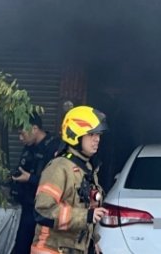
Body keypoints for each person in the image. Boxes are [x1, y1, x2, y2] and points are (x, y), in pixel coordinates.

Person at [31, 105, 107, 254]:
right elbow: (43, 211)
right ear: (75, 135)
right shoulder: (59, 168)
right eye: (91, 134)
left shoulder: (87, 169)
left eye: (98, 134)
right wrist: (86, 216)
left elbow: (84, 209)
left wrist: (93, 242)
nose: (97, 139)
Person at [11, 112, 60, 254]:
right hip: (26, 207)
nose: (20, 138)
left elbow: (57, 184)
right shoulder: (29, 146)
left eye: (22, 134)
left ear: (34, 128)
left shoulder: (54, 148)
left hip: (43, 211)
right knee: (21, 246)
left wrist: (30, 178)